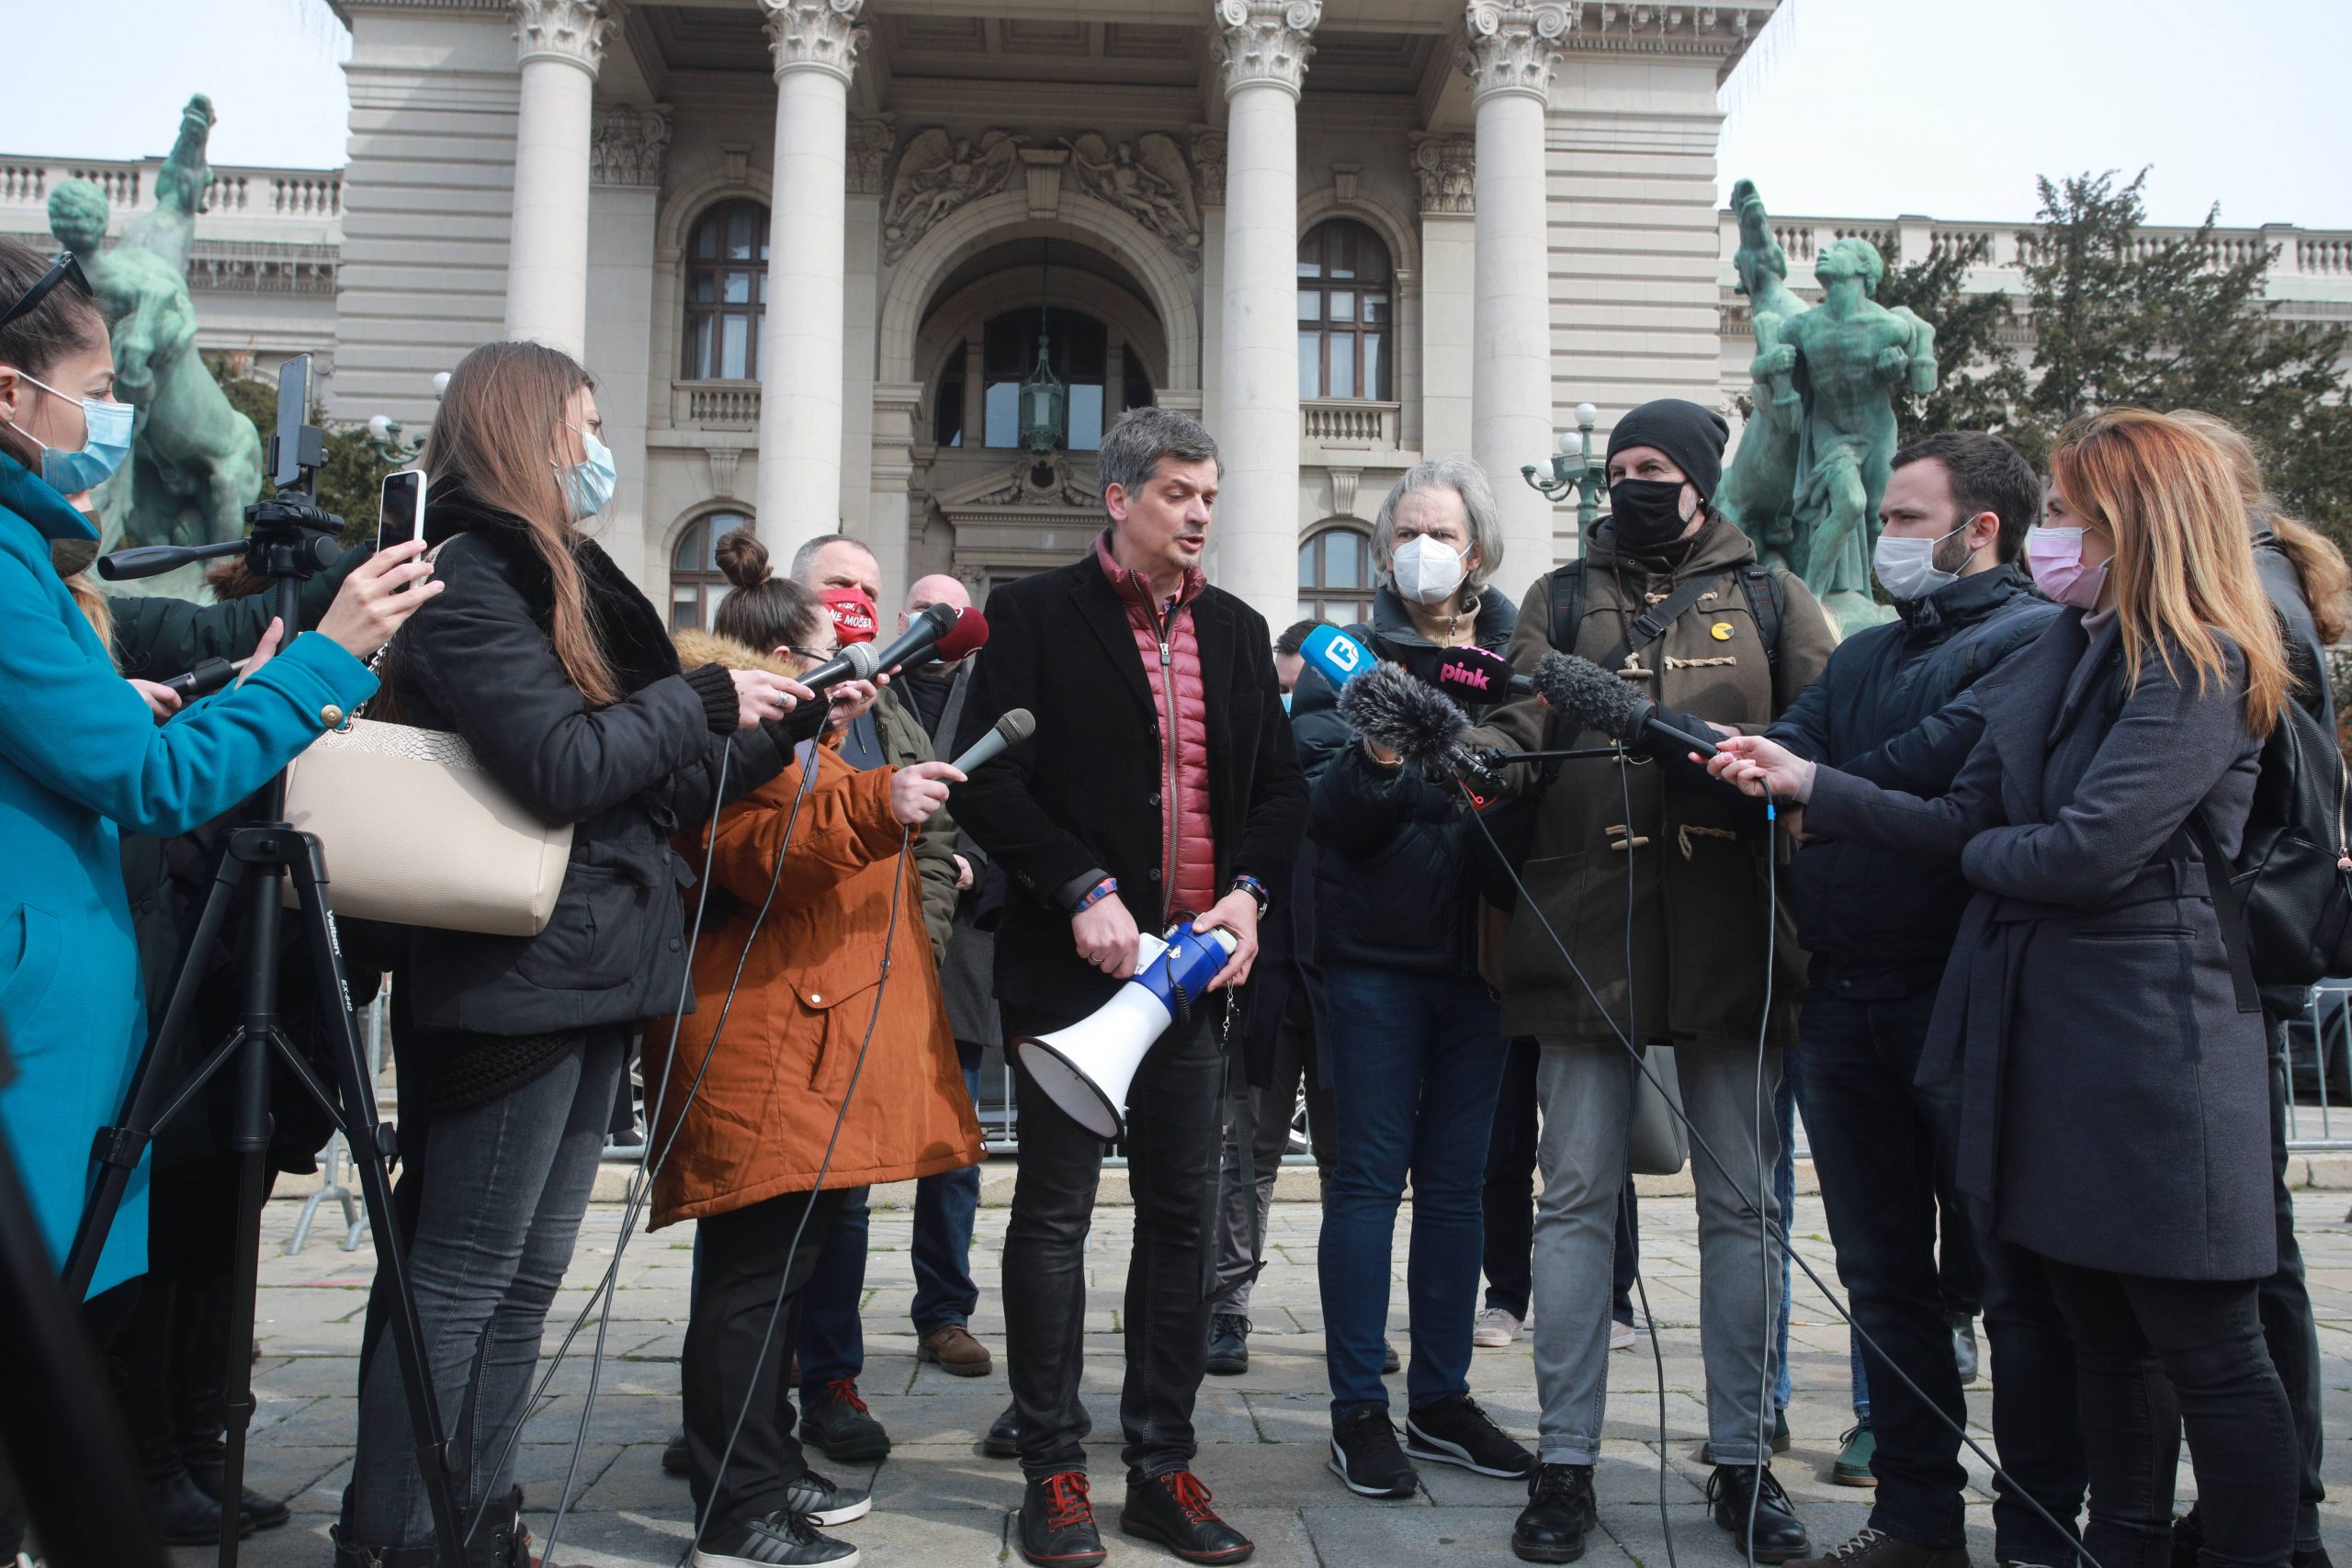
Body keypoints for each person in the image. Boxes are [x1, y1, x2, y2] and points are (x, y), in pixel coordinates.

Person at [1710, 408, 2301, 1568]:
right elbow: (1967, 807)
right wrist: (1825, 792)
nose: (2054, 537)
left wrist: (1972, 854)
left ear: (2139, 525)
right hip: (2044, 1026)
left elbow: (2080, 849)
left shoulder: (2199, 662)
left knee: (2203, 1343)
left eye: (2073, 515)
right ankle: (2106, 1544)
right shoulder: (2065, 651)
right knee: (2095, 1328)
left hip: (2155, 1040)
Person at [335, 340, 812, 1567]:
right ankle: (394, 1535)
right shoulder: (466, 573)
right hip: (510, 971)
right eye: (586, 422)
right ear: (527, 429)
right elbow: (559, 763)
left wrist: (776, 731)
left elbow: (650, 781)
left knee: (524, 1275)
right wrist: (705, 701)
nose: (600, 447)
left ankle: (477, 1514)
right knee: (459, 1275)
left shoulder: (575, 575)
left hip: (597, 956)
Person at [0, 233, 428, 1559]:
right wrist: (326, 661)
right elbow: (145, 782)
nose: (112, 414)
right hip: (36, 1031)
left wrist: (214, 697)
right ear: (13, 394)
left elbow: (92, 740)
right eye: (98, 383)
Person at [1465, 397, 1836, 1564]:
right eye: (1617, 466)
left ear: (1701, 481)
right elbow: (1521, 719)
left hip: (1737, 934)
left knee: (1743, 1207)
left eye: (1654, 467)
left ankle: (1742, 1462)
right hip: (1588, 929)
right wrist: (1472, 754)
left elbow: (1825, 740)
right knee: (1572, 1202)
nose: (1630, 483)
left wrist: (1775, 781)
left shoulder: (1774, 600)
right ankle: (1564, 1465)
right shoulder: (1559, 600)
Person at [951, 406, 1306, 1568]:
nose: (1199, 513)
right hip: (1070, 976)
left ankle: (1162, 1467)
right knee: (1051, 1216)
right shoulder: (1035, 616)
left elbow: (1280, 792)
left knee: (1182, 1221)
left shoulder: (1243, 632)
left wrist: (1247, 894)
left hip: (1193, 984)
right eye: (1176, 493)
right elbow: (986, 786)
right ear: (1118, 500)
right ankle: (1053, 1470)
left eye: (1209, 495)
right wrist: (1079, 887)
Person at [1756, 432, 2069, 1568]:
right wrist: (1791, 769)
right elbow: (1798, 739)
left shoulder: (2037, 636)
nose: (1880, 536)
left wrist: (1818, 786)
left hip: (1967, 997)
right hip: (1840, 996)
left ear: (1975, 529)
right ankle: (1913, 1518)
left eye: (1898, 518)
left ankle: (2038, 1525)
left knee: (2009, 1280)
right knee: (1882, 1280)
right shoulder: (1867, 649)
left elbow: (1939, 762)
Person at [650, 539, 978, 1568]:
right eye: (813, 661)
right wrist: (878, 802)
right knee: (749, 1285)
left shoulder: (798, 741)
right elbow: (754, 857)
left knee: (780, 1279)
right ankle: (733, 1510)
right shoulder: (717, 739)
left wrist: (850, 768)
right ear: (772, 667)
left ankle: (765, 1463)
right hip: (755, 1038)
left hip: (800, 1033)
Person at [1308, 459, 1533, 1499]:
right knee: (1364, 1186)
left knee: (1457, 1193)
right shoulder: (1340, 665)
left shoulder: (1513, 662)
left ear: (1475, 550)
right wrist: (1384, 758)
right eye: (1402, 530)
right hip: (1372, 967)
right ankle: (1360, 1409)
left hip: (1481, 963)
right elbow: (1326, 815)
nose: (1417, 547)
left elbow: (1530, 792)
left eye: (1435, 530)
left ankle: (1441, 1399)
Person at [2165, 409, 2344, 1568]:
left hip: (2227, 955)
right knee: (2259, 1245)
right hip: (2252, 950)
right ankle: (2280, 1512)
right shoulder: (2267, 584)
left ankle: (2277, 1519)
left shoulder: (2246, 605)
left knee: (2253, 1253)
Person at [787, 534, 967, 1462]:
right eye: (836, 585)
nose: (854, 599)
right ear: (797, 597)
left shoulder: (891, 707)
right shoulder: (760, 691)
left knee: (846, 1203)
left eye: (868, 585)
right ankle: (733, 1393)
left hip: (871, 979)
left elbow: (933, 843)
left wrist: (919, 948)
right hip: (778, 990)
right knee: (754, 1208)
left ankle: (831, 1379)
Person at [1204, 618, 1340, 1381]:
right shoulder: (1264, 766)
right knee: (1325, 1161)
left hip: (1307, 983)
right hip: (1281, 982)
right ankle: (1233, 1309)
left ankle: (1229, 1311)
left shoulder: (1350, 761)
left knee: (1254, 1156)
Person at [890, 570, 1001, 1380]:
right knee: (843, 1165)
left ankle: (944, 1312)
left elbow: (1017, 814)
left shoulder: (992, 700)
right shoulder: (868, 691)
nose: (940, 622)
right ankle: (817, 1329)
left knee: (952, 1152)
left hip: (958, 952)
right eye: (927, 610)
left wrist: (975, 865)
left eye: (953, 611)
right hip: (865, 941)